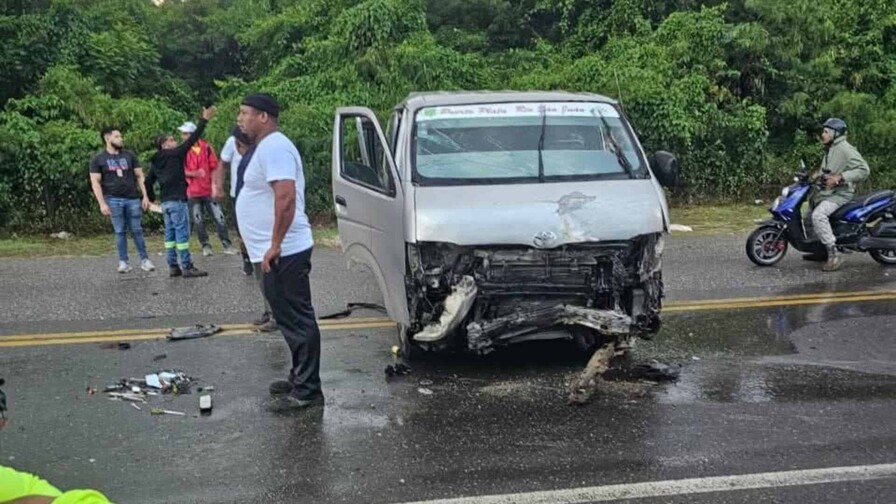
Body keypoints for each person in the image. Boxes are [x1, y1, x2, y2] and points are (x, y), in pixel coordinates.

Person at [236, 93, 323, 409]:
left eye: (245, 113)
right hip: (273, 250)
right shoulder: (267, 148)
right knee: (288, 319)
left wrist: (274, 245)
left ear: (263, 117)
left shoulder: (275, 146)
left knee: (297, 319)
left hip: (284, 251)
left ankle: (308, 391)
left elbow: (285, 198)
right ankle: (300, 376)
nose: (240, 119)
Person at [145, 107, 217, 278]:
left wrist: (151, 198)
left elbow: (148, 181)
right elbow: (193, 139)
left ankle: (173, 265)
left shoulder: (156, 161)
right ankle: (187, 266)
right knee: (182, 234)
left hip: (166, 202)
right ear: (164, 145)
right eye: (170, 140)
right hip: (178, 200)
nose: (174, 141)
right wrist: (204, 120)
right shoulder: (175, 154)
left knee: (169, 235)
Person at [219, 126, 279, 332]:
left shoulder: (259, 158)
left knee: (266, 270)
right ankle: (269, 311)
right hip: (253, 226)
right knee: (259, 268)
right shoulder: (249, 159)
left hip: (263, 227)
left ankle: (275, 315)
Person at [89, 128, 156, 274]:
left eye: (121, 136)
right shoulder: (99, 159)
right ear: (107, 139)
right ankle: (123, 261)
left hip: (132, 198)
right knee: (120, 231)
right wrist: (102, 203)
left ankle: (145, 260)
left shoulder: (129, 155)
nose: (121, 139)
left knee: (137, 230)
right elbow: (95, 182)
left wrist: (145, 196)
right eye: (117, 136)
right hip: (113, 199)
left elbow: (139, 176)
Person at [810, 117, 870, 272]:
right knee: (808, 215)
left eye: (825, 132)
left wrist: (841, 177)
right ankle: (820, 250)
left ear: (835, 133)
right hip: (826, 193)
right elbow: (827, 170)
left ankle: (834, 255)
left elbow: (864, 170)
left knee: (818, 216)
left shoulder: (845, 149)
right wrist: (814, 175)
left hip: (840, 194)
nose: (822, 134)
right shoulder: (832, 148)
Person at [180, 121, 236, 257]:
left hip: (208, 190)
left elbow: (214, 167)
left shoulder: (206, 148)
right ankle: (205, 245)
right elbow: (179, 170)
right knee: (198, 220)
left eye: (185, 133)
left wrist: (215, 185)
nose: (182, 136)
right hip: (192, 192)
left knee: (219, 218)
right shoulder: (182, 151)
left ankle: (227, 244)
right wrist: (194, 174)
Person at [216, 125, 255, 276]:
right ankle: (247, 260)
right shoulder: (232, 141)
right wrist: (218, 186)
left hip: (258, 194)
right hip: (238, 194)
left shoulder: (261, 141)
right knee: (242, 231)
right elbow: (223, 164)